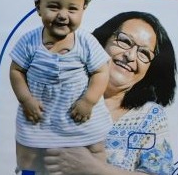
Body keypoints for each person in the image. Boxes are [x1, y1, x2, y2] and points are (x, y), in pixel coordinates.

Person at [44, 11, 177, 175]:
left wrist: (95, 169)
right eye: (125, 41)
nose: (130, 56)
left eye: (144, 53)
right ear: (102, 42)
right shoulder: (61, 94)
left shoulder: (150, 117)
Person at [9, 0, 113, 174]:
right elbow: (16, 71)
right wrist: (26, 100)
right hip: (39, 117)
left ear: (83, 9)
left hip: (79, 116)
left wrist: (88, 101)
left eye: (72, 9)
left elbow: (101, 72)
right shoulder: (29, 42)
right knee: (27, 154)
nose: (63, 15)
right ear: (38, 7)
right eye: (54, 7)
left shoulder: (86, 42)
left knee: (96, 149)